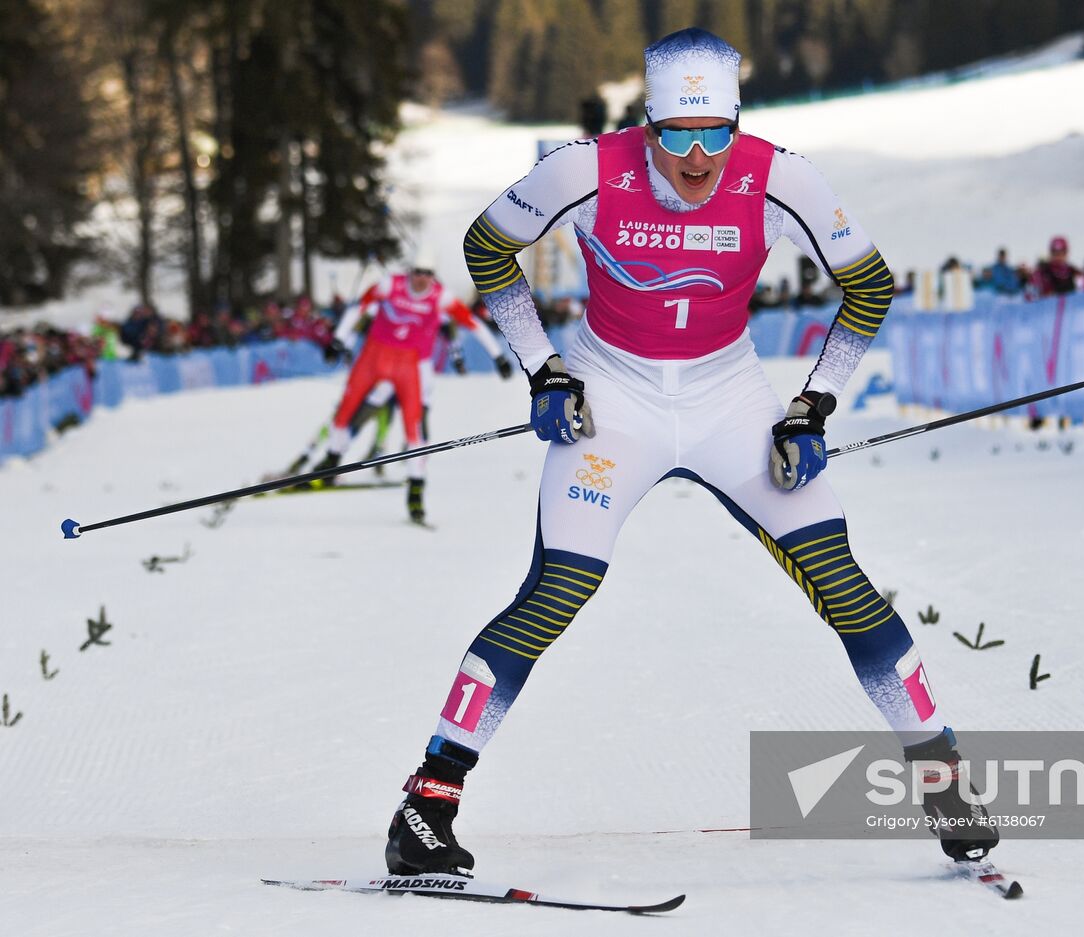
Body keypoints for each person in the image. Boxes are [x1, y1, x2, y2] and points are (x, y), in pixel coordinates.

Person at [383, 27, 997, 878]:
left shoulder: (781, 177)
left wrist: (811, 407)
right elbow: (488, 248)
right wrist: (544, 370)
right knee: (558, 588)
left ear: (738, 124)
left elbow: (872, 283)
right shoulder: (583, 169)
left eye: (717, 134)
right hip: (614, 401)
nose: (700, 156)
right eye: (677, 134)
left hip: (728, 401)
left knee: (845, 587)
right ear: (649, 124)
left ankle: (946, 781)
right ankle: (426, 802)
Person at [313, 251, 514, 524]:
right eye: (417, 272)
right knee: (346, 411)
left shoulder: (440, 297)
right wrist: (337, 341)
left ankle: (416, 490)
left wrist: (498, 355)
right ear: (410, 271)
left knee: (414, 427)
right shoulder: (389, 285)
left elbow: (472, 323)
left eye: (427, 273)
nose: (421, 279)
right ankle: (331, 462)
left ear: (433, 276)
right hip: (374, 357)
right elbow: (358, 308)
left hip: (412, 366)